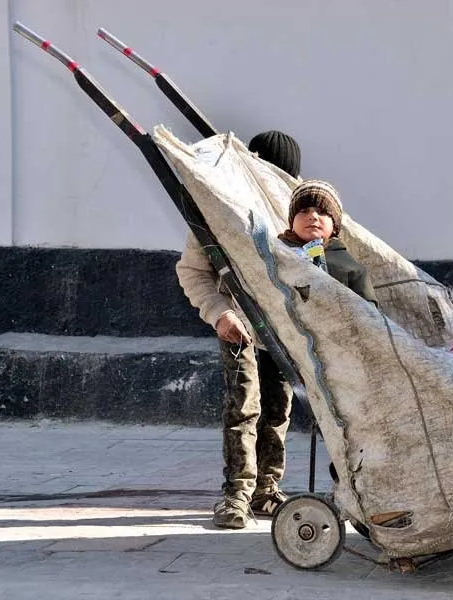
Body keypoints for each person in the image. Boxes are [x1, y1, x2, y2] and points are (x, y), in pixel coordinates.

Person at [176, 130, 302, 529]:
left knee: (278, 409)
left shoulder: (298, 211)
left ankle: (266, 489)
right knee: (244, 406)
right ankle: (236, 494)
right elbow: (192, 271)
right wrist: (219, 313)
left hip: (281, 328)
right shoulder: (221, 211)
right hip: (239, 323)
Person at [278, 179, 378, 306]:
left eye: (322, 212)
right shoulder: (274, 252)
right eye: (304, 211)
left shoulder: (352, 269)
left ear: (335, 227)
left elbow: (371, 317)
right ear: (292, 223)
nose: (313, 216)